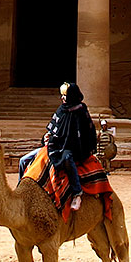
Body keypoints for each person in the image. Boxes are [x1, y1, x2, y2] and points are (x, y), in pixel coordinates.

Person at [45, 81, 97, 211]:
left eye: (65, 95)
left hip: (74, 148)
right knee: (25, 160)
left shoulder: (80, 110)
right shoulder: (61, 109)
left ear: (72, 96)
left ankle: (77, 193)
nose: (62, 98)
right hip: (55, 145)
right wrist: (47, 137)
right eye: (62, 95)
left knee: (67, 159)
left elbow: (86, 132)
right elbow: (54, 128)